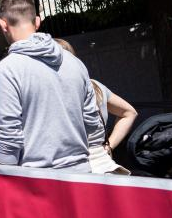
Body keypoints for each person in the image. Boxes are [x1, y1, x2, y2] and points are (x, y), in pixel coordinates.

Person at [0, 0, 100, 171]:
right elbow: (92, 122)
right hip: (82, 174)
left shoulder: (8, 69)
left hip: (37, 179)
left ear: (2, 24)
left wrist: (5, 174)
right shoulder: (75, 63)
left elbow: (8, 134)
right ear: (37, 21)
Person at [55, 39, 136, 175]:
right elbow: (129, 113)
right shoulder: (94, 86)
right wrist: (108, 147)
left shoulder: (52, 92)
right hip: (105, 166)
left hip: (75, 171)